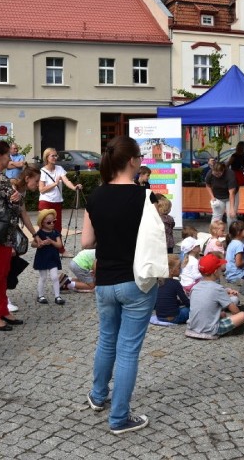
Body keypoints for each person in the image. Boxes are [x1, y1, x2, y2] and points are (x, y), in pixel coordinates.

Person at [83, 135, 158, 435]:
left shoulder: (96, 195)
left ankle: (98, 395)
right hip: (136, 282)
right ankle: (118, 418)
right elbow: (157, 241)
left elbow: (87, 241)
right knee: (127, 350)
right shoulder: (144, 197)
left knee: (106, 340)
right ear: (132, 160)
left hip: (105, 283)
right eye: (139, 156)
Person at [0, 141, 34, 331]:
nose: (10, 159)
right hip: (0, 232)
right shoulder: (0, 179)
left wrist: (15, 198)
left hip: (1, 231)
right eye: (7, 155)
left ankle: (2, 309)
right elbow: (14, 204)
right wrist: (18, 198)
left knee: (2, 273)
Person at [185, 254, 244, 339]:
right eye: (219, 268)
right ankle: (228, 331)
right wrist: (235, 317)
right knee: (242, 315)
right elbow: (235, 311)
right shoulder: (218, 288)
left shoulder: (195, 287)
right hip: (210, 330)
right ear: (215, 272)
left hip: (192, 328)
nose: (221, 269)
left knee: (222, 314)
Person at [7, 165, 41, 312]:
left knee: (8, 266)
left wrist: (35, 234)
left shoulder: (22, 191)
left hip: (9, 233)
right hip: (3, 233)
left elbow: (24, 214)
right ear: (27, 178)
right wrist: (9, 244)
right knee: (3, 267)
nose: (38, 184)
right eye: (37, 181)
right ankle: (0, 299)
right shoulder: (12, 188)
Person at [38, 147, 83, 235]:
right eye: (53, 156)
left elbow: (66, 181)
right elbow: (41, 189)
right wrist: (55, 184)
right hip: (45, 202)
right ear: (47, 157)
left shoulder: (59, 168)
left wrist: (74, 187)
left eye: (56, 155)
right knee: (45, 227)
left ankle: (59, 248)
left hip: (57, 202)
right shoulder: (42, 171)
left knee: (58, 227)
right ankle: (45, 247)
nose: (55, 157)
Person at [33, 208, 64, 305]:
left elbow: (59, 245)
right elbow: (33, 244)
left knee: (55, 277)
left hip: (53, 258)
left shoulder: (55, 232)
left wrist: (51, 241)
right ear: (42, 223)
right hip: (42, 257)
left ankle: (57, 296)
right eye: (49, 222)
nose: (52, 224)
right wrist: (40, 244)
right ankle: (40, 295)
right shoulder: (39, 233)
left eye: (53, 221)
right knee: (43, 277)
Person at [154, 255, 190, 324]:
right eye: (179, 268)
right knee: (187, 310)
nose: (180, 270)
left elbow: (167, 299)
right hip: (173, 318)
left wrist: (179, 303)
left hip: (159, 316)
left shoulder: (160, 282)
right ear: (171, 271)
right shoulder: (175, 283)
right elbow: (185, 301)